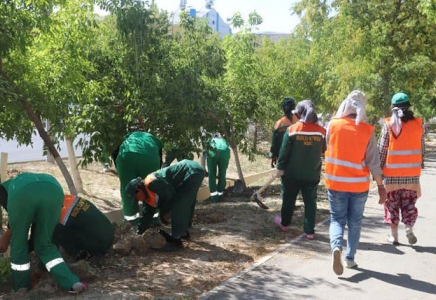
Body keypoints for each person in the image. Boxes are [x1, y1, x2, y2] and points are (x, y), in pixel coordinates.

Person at [324, 90, 386, 276]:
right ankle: (349, 259)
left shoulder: (333, 125)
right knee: (355, 222)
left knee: (337, 219)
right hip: (359, 186)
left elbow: (328, 147)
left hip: (335, 183)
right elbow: (373, 162)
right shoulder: (367, 130)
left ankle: (336, 247)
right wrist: (381, 186)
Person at [0, 173, 87, 293]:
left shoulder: (3, 191)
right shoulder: (15, 183)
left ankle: (21, 289)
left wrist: (5, 240)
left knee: (18, 245)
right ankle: (72, 283)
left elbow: (15, 225)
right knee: (44, 245)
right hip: (54, 190)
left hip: (23, 194)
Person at [126, 160, 205, 251]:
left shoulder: (151, 182)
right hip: (191, 173)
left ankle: (176, 241)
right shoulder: (147, 193)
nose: (139, 200)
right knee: (184, 202)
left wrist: (164, 213)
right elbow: (147, 214)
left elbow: (170, 195)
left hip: (192, 171)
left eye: (136, 198)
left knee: (180, 204)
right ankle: (182, 232)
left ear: (138, 190)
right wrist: (139, 233)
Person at [275, 100, 326, 240]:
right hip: (312, 174)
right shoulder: (321, 131)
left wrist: (280, 168)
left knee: (288, 199)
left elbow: (283, 153)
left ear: (300, 113)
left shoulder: (292, 130)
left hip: (292, 174)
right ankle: (309, 231)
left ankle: (285, 224)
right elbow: (323, 151)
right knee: (310, 202)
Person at [378, 92, 425, 245]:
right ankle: (409, 229)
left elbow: (382, 150)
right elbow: (422, 149)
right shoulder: (418, 124)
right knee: (409, 205)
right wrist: (420, 165)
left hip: (391, 176)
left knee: (391, 206)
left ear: (393, 108)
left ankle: (394, 237)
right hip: (412, 176)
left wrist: (378, 170)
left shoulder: (389, 124)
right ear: (409, 107)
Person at [115, 131, 163, 225]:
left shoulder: (128, 139)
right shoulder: (153, 140)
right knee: (151, 186)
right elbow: (160, 158)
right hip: (149, 158)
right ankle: (153, 219)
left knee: (127, 187)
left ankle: (130, 220)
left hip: (125, 157)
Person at [269, 97, 299, 168]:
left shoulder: (279, 123)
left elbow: (274, 143)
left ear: (283, 108)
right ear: (294, 107)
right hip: (297, 158)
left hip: (283, 159)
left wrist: (273, 156)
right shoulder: (299, 121)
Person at [206, 133, 231, 203]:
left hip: (212, 152)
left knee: (212, 174)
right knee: (222, 174)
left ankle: (214, 197)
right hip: (224, 153)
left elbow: (205, 150)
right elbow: (227, 146)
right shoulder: (223, 140)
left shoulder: (210, 140)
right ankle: (220, 194)